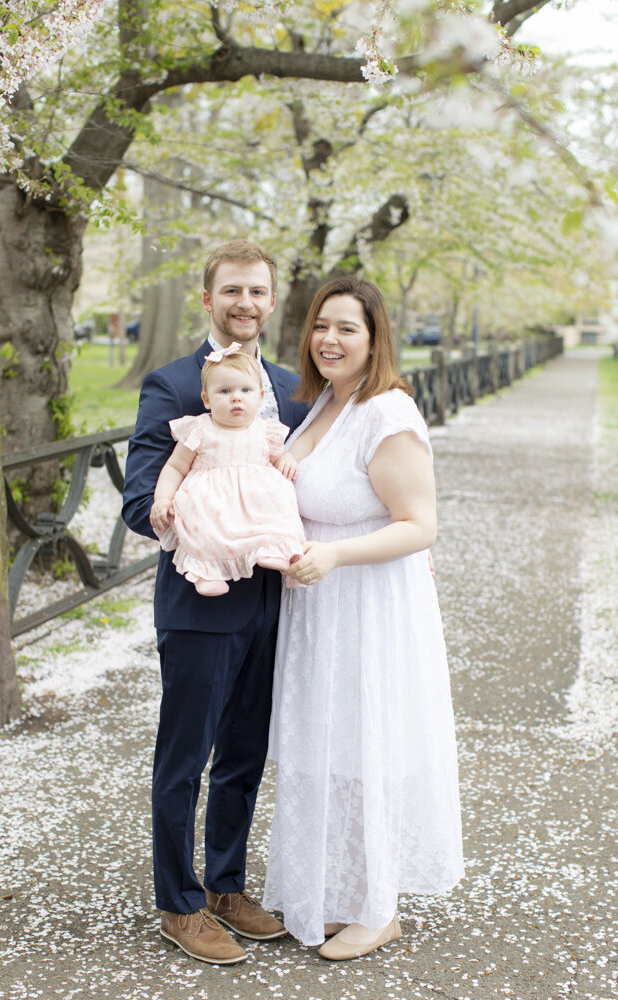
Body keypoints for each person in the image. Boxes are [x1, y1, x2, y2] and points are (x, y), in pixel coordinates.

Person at [263, 276, 464, 960]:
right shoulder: (321, 401)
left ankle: (379, 908)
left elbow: (420, 525)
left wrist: (339, 553)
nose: (329, 339)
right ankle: (340, 891)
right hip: (317, 607)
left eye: (347, 328)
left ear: (375, 338)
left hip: (366, 605)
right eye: (321, 325)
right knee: (328, 751)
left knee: (366, 746)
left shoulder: (386, 414)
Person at [121, 240, 308, 966]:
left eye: (257, 292)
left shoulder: (291, 387)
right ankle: (180, 902)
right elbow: (141, 496)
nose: (245, 304)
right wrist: (192, 521)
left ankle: (227, 884)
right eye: (231, 291)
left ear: (270, 300)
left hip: (275, 598)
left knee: (244, 753)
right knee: (185, 757)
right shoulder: (172, 385)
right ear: (208, 299)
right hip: (201, 601)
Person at [150, 344, 304, 597]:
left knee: (280, 505)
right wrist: (162, 499)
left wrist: (287, 459)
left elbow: (280, 455)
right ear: (207, 399)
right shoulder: (199, 429)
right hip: (212, 500)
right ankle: (206, 571)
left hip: (255, 500)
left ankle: (275, 547)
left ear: (260, 395)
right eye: (225, 391)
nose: (236, 397)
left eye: (246, 390)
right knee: (201, 523)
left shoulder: (265, 430)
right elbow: (175, 467)